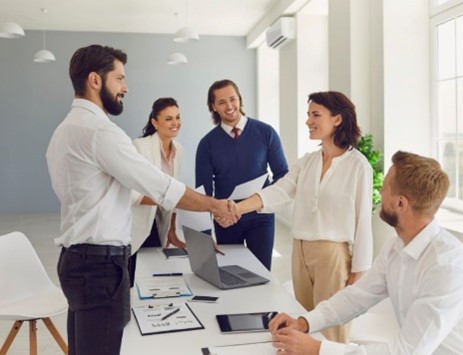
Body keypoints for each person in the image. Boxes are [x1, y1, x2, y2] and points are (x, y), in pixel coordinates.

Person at [46, 44, 239, 355]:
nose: (125, 87)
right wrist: (215, 205)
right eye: (119, 78)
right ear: (95, 80)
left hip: (76, 260)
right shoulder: (101, 132)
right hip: (100, 267)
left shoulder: (64, 131)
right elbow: (161, 187)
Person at [267, 151, 463, 355]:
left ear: (400, 204)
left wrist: (317, 350)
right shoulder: (396, 246)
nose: (379, 192)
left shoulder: (447, 269)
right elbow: (356, 297)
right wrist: (305, 322)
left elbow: (405, 352)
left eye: (385, 187)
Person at [235, 91, 373, 342]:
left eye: (315, 115)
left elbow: (364, 221)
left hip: (333, 254)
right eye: (308, 115)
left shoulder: (358, 165)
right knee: (304, 323)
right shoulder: (307, 162)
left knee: (331, 330)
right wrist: (237, 208)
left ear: (338, 119)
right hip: (300, 250)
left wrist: (359, 271)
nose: (308, 121)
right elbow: (280, 190)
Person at [196, 79, 288, 271]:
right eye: (221, 102)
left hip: (261, 216)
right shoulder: (207, 145)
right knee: (232, 273)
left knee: (262, 273)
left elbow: (282, 176)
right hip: (226, 219)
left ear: (240, 99)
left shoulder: (266, 133)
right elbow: (203, 193)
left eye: (233, 99)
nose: (229, 106)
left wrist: (264, 201)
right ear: (213, 107)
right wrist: (205, 235)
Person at [128, 97, 185, 287]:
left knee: (152, 275)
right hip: (139, 222)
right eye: (168, 118)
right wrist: (167, 199)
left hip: (160, 221)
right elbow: (132, 193)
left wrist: (172, 230)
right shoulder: (140, 146)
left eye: (177, 117)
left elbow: (175, 188)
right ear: (155, 122)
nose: (175, 123)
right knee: (136, 276)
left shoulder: (179, 150)